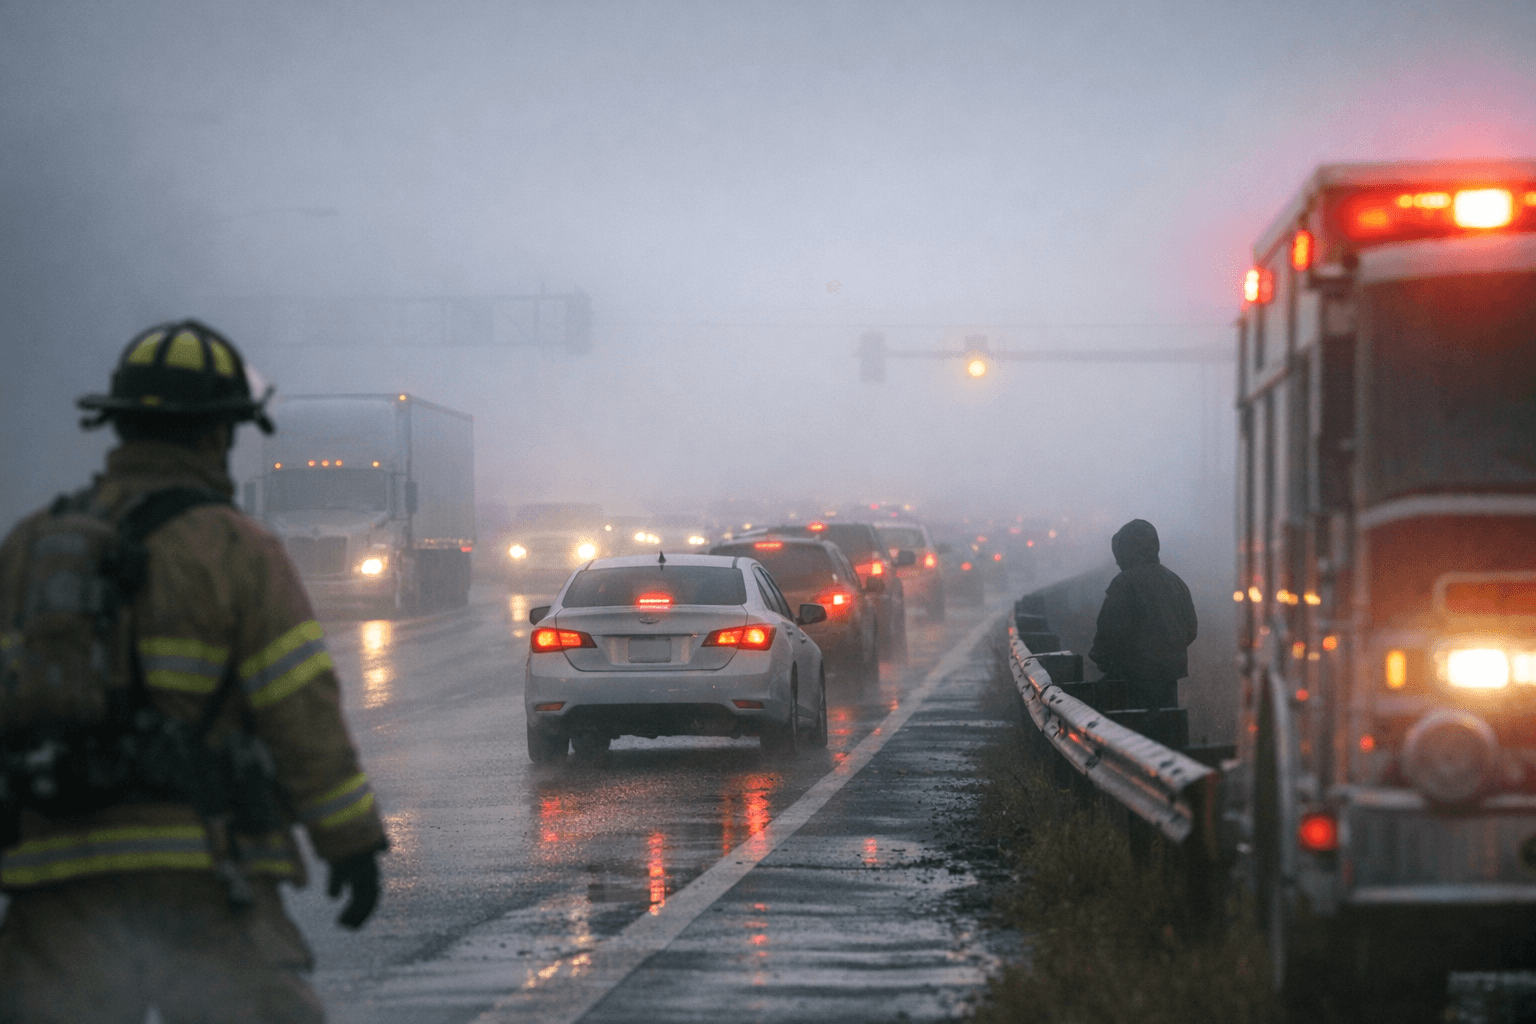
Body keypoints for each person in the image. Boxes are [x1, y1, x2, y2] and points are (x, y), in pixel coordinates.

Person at [0, 321, 388, 1024]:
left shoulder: (30, 546)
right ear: (217, 432)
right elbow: (301, 713)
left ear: (119, 425)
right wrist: (350, 842)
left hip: (55, 873)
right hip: (201, 873)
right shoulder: (235, 548)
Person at [1087, 518, 1198, 710]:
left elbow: (1110, 630)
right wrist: (1167, 651)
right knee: (1166, 724)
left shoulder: (1124, 583)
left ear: (1125, 550)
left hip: (1130, 682)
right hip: (1168, 679)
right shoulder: (1176, 582)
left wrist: (1101, 658)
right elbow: (1190, 630)